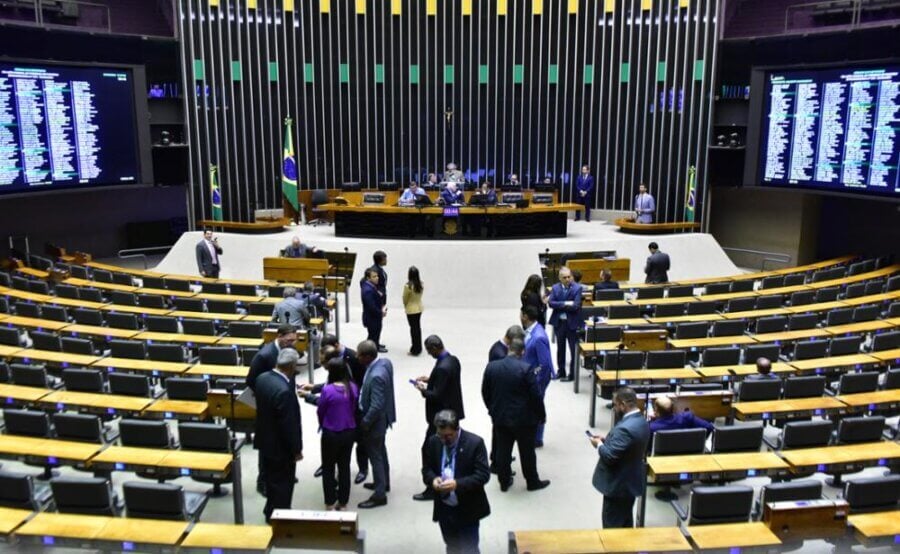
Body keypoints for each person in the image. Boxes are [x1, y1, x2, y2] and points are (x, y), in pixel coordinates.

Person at [482, 338, 549, 493]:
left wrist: (492, 409)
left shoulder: (492, 367)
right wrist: (541, 415)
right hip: (524, 420)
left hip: (500, 417)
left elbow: (485, 392)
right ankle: (532, 481)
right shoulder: (526, 369)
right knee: (527, 452)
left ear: (508, 349)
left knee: (503, 450)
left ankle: (504, 481)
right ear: (523, 352)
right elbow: (535, 396)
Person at [421, 410, 491, 554]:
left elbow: (483, 475)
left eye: (448, 436)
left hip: (467, 510)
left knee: (469, 549)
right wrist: (433, 479)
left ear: (457, 429)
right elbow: (426, 470)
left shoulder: (475, 443)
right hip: (444, 510)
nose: (444, 440)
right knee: (452, 547)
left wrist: (457, 484)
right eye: (441, 436)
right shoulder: (434, 442)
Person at [246, 324, 299, 496]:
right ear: (280, 336)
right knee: (269, 445)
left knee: (280, 444)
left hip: (283, 400)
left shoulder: (286, 351)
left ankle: (282, 473)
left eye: (295, 340)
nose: (292, 343)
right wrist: (267, 397)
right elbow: (252, 380)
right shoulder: (264, 355)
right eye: (289, 340)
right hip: (270, 405)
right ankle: (263, 481)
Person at [413, 335, 465, 501]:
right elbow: (447, 382)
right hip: (453, 410)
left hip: (441, 415)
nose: (429, 354)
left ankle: (432, 486)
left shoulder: (442, 367)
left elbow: (436, 395)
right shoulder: (453, 360)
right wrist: (432, 379)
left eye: (430, 351)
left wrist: (423, 389)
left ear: (435, 348)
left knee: (429, 449)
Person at [589, 387, 650, 528]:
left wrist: (598, 444)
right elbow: (627, 447)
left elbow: (610, 456)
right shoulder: (642, 421)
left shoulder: (625, 429)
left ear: (623, 405)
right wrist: (608, 441)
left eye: (616, 405)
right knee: (626, 520)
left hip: (618, 486)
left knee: (612, 526)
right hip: (631, 482)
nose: (614, 408)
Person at [254, 348, 303, 521]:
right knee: (283, 484)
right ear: (291, 366)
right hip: (281, 447)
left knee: (271, 480)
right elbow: (289, 425)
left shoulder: (262, 379)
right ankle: (280, 519)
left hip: (264, 439)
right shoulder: (284, 391)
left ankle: (269, 510)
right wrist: (296, 449)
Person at [315, 358, 359, 510]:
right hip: (349, 431)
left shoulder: (328, 390)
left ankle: (329, 501)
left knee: (328, 468)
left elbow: (321, 410)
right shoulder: (353, 388)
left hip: (331, 432)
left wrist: (323, 423)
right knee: (344, 466)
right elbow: (354, 408)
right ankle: (343, 501)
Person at [356, 340, 396, 508]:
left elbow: (377, 405)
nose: (356, 357)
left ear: (367, 357)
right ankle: (384, 483)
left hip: (375, 423)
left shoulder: (376, 376)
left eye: (359, 355)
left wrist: (365, 422)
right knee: (381, 451)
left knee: (376, 457)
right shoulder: (385, 363)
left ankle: (379, 494)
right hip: (383, 419)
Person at [520, 305, 554, 447]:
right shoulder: (531, 331)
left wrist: (534, 379)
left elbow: (544, 365)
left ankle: (537, 438)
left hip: (538, 379)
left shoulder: (538, 337)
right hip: (531, 376)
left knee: (536, 405)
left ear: (525, 316)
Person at [548, 267, 583, 382]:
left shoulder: (577, 288)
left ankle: (572, 374)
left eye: (569, 277)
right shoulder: (555, 288)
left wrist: (561, 305)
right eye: (565, 277)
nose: (568, 279)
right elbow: (551, 303)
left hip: (572, 324)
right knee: (560, 349)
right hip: (560, 323)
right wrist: (566, 303)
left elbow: (576, 306)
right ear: (560, 278)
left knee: (573, 350)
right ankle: (561, 371)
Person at [649, 397, 714, 436]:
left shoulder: (651, 427)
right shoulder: (687, 417)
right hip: (689, 454)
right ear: (673, 408)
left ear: (656, 411)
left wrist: (652, 421)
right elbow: (709, 427)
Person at [367, 251, 388, 352]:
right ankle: (374, 345)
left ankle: (376, 342)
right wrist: (378, 293)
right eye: (385, 258)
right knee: (375, 325)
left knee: (378, 324)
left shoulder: (379, 269)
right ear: (380, 259)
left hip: (381, 299)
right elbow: (372, 285)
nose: (386, 260)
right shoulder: (374, 270)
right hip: (377, 300)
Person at [361, 269, 385, 351]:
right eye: (374, 276)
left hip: (374, 316)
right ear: (368, 278)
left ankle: (376, 344)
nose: (377, 278)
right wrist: (381, 313)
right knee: (373, 334)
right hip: (372, 317)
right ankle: (373, 348)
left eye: (377, 276)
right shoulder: (367, 290)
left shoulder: (370, 286)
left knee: (376, 333)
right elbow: (371, 307)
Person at [403, 266, 425, 356]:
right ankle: (419, 347)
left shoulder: (408, 286)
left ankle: (415, 349)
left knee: (413, 329)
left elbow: (405, 298)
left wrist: (406, 305)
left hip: (411, 309)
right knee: (417, 328)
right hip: (419, 307)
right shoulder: (421, 284)